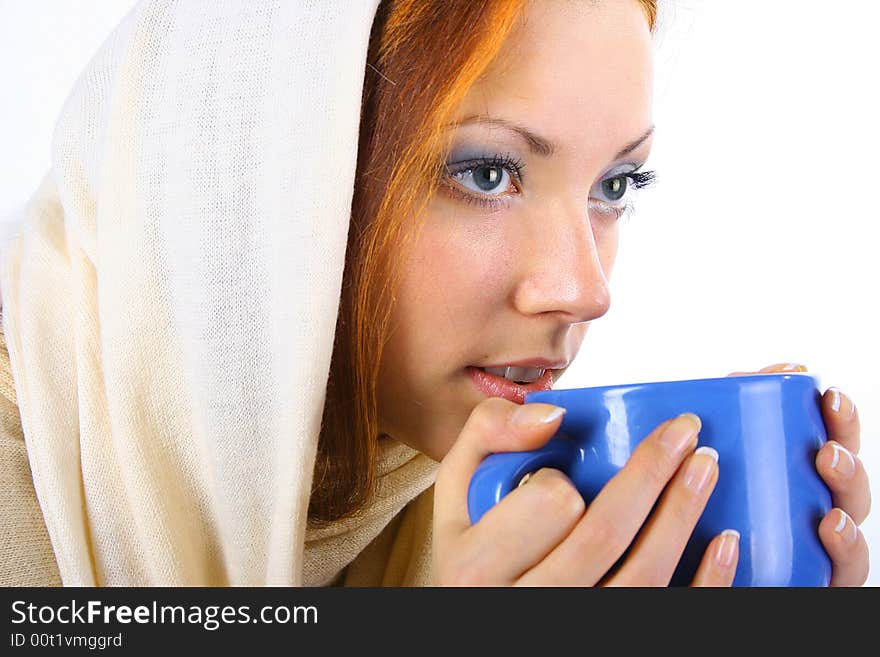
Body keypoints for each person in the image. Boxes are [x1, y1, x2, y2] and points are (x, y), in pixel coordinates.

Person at [0, 0, 869, 587]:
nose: (584, 290)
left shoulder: (471, 514)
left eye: (616, 185)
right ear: (253, 173)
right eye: (486, 171)